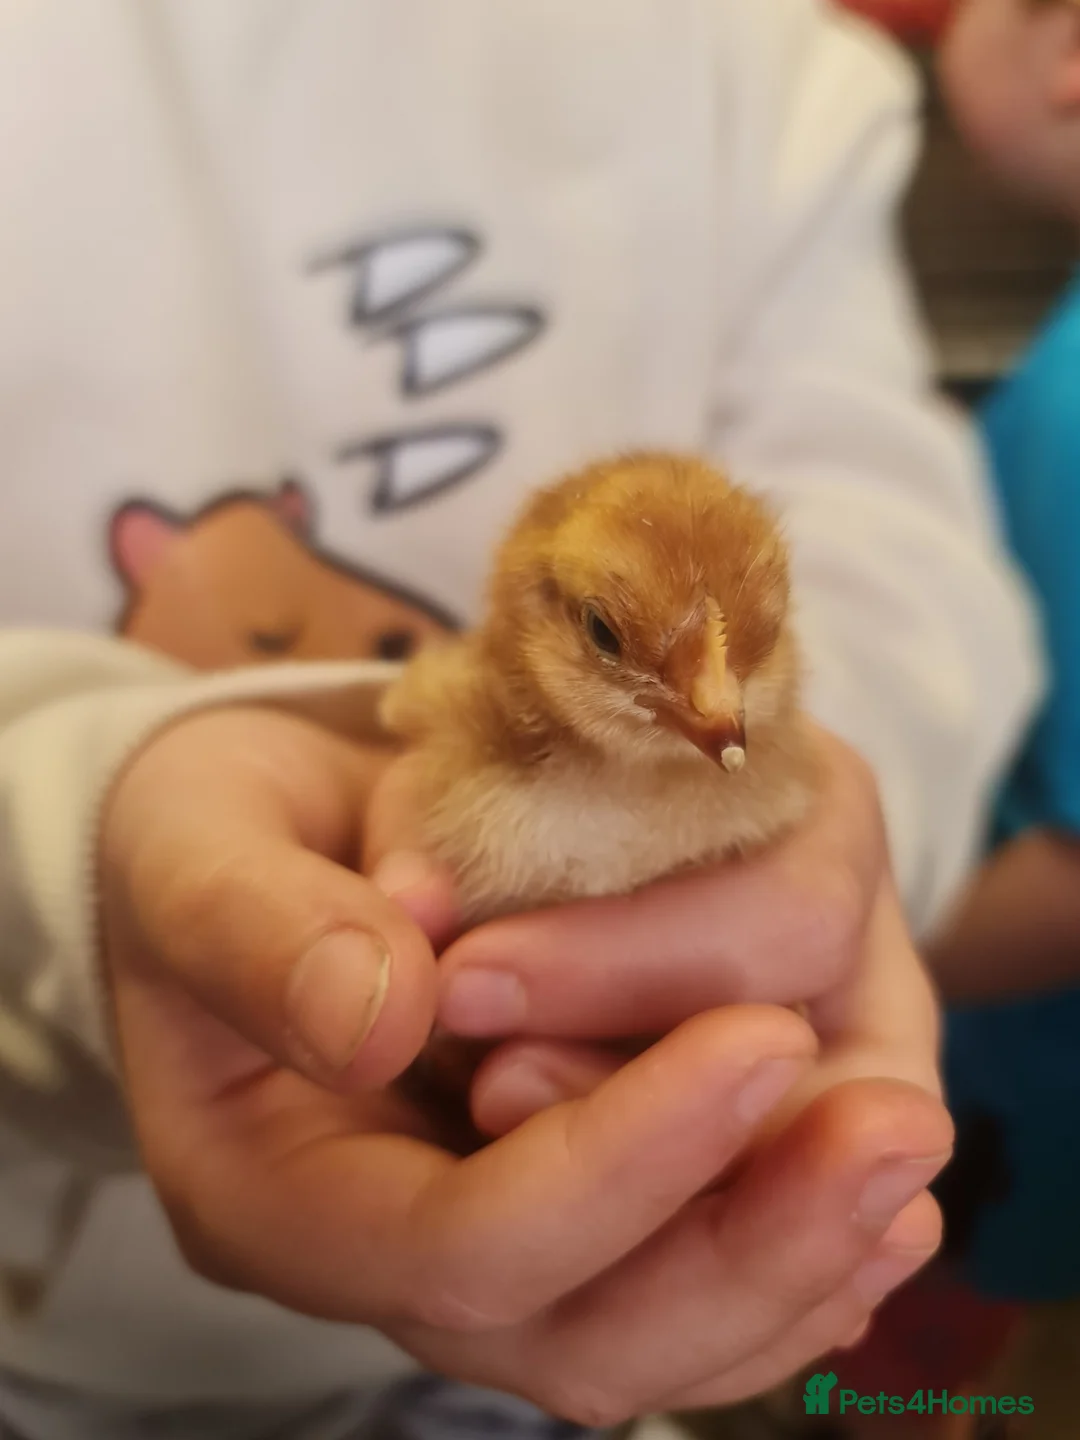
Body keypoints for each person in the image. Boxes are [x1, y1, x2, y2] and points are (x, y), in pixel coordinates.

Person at [0, 2, 1039, 1437]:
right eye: (618, 643)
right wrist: (78, 864)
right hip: (52, 1343)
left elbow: (901, 561)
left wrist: (831, 850)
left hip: (623, 1254)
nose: (710, 713)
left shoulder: (751, 62)